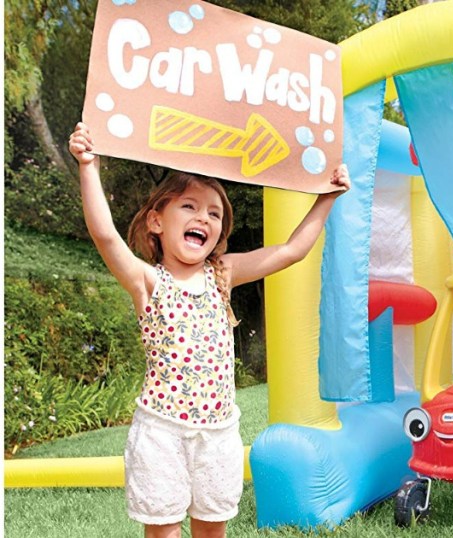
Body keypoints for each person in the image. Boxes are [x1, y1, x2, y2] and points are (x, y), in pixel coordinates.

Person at [68, 122, 350, 538]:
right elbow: (106, 236)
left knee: (212, 528)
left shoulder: (223, 273)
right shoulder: (148, 281)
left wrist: (327, 198)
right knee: (163, 530)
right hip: (162, 432)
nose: (203, 217)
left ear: (219, 232)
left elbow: (291, 251)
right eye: (189, 207)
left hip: (218, 434)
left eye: (214, 213)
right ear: (156, 222)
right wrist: (88, 166)